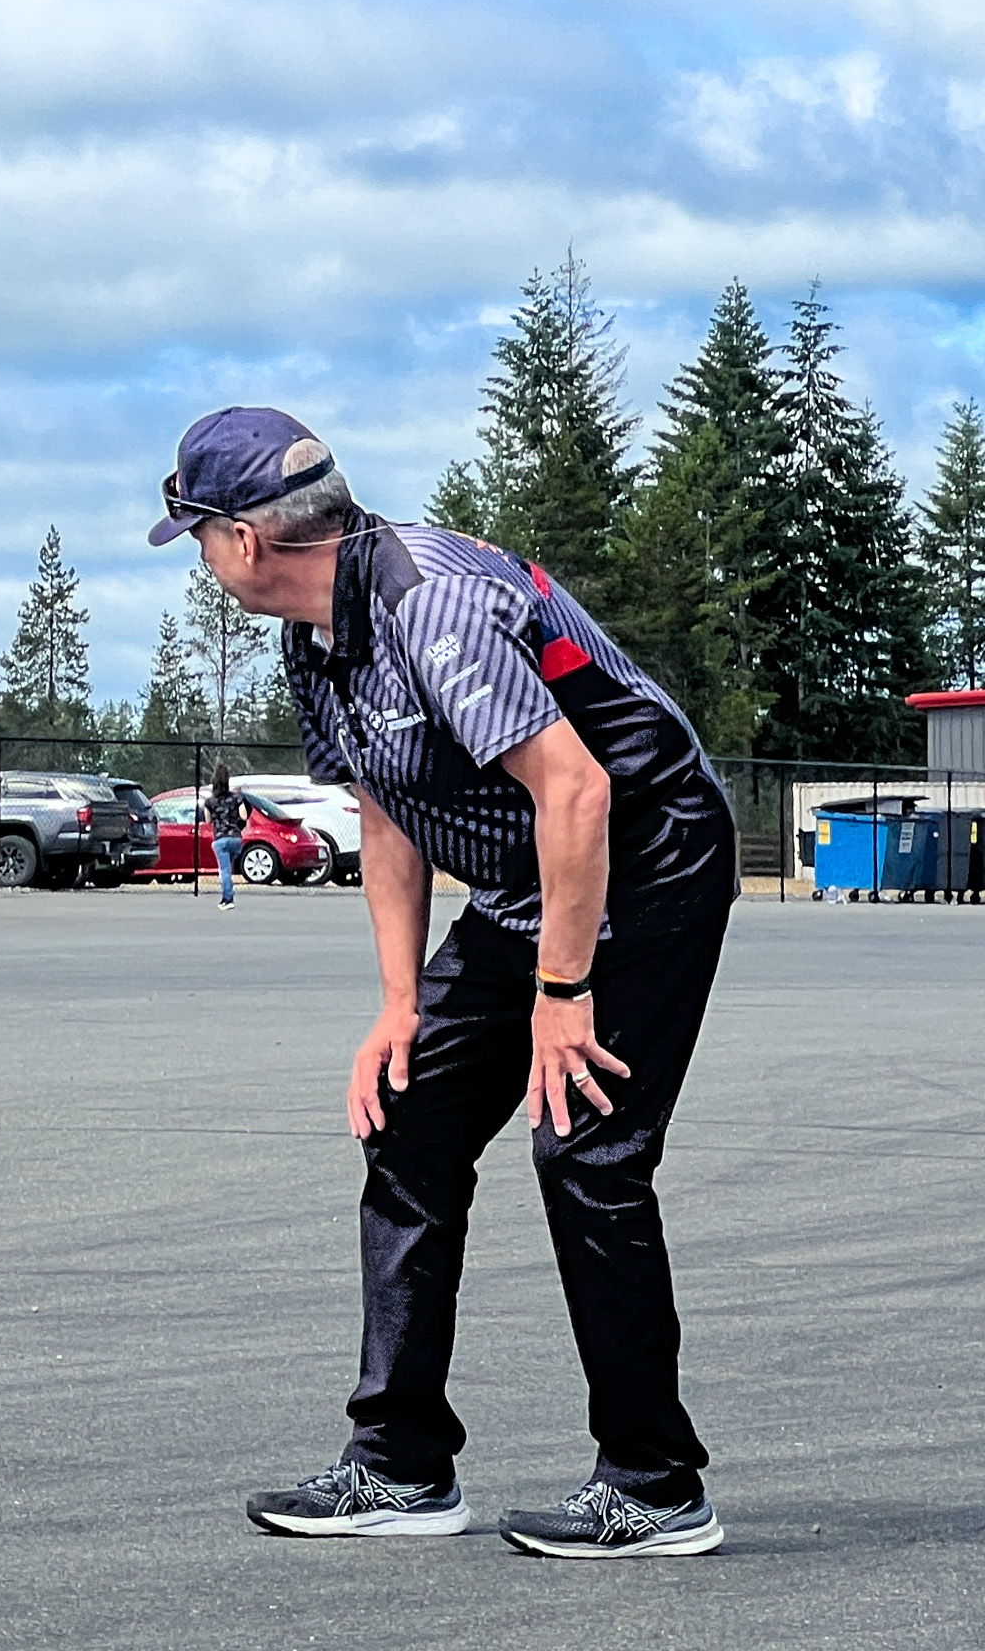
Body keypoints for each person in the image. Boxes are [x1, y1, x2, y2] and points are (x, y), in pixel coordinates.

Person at [149, 405, 737, 1560]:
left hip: (650, 853)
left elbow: (577, 792)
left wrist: (561, 995)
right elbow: (386, 807)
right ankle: (402, 1463)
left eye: (197, 539)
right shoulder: (321, 634)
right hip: (535, 877)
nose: (203, 565)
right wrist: (400, 1002)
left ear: (244, 539)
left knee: (584, 1143)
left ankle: (657, 1482)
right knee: (411, 1124)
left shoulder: (433, 602)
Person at [205, 766, 247, 909]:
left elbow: (208, 821)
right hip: (236, 838)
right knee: (228, 867)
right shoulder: (236, 798)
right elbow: (244, 816)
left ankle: (228, 899)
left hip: (220, 839)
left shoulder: (210, 802)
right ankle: (226, 894)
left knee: (224, 870)